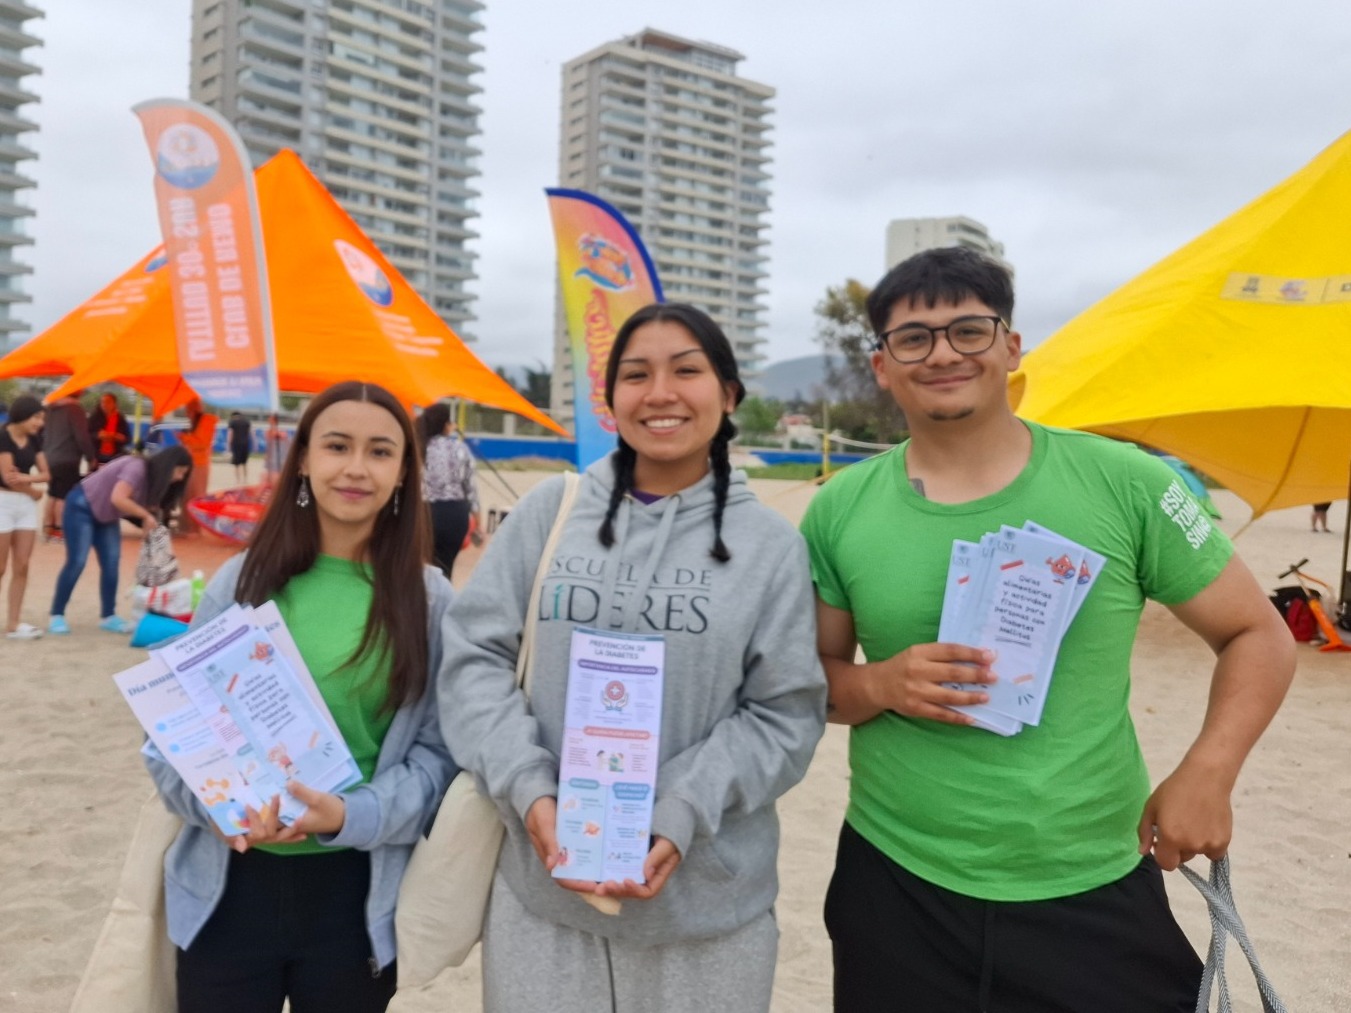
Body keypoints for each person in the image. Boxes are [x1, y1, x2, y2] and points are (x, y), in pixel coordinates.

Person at [800, 247, 1296, 1011]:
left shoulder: (1125, 482)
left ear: (1009, 347)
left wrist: (1209, 769)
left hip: (1091, 872)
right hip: (897, 881)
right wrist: (879, 682)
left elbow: (1256, 634)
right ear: (880, 365)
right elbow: (811, 683)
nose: (942, 353)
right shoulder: (841, 506)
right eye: (913, 338)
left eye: (968, 330)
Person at [439, 302, 827, 1012]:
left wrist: (681, 805)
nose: (660, 393)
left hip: (708, 914)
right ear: (609, 398)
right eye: (635, 374)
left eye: (687, 370)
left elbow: (785, 712)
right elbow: (474, 659)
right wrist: (529, 788)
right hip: (542, 900)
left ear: (729, 394)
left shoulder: (771, 546)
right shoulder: (550, 513)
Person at [144, 381, 456, 1012]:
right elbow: (166, 738)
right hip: (228, 884)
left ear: (402, 473)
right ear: (305, 459)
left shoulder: (429, 599)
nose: (356, 468)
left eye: (380, 452)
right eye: (337, 446)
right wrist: (223, 807)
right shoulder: (242, 579)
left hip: (355, 897)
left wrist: (349, 815)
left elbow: (437, 760)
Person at [48, 444, 191, 635]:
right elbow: (118, 498)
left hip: (107, 516)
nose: (180, 477)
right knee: (77, 561)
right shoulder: (137, 467)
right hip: (81, 506)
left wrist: (150, 525)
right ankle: (57, 614)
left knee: (111, 563)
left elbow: (139, 509)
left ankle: (108, 615)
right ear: (169, 465)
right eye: (180, 471)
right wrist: (145, 517)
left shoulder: (154, 482)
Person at [0, 395, 49, 639]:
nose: (40, 423)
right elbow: (8, 477)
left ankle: (14, 623)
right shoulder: (3, 436)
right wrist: (34, 492)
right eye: (37, 417)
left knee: (22, 564)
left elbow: (46, 473)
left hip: (25, 506)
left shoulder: (35, 439)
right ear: (23, 414)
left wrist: (28, 483)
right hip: (3, 502)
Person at [418, 402, 481, 578]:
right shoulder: (459, 447)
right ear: (446, 424)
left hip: (424, 511)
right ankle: (442, 602)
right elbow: (471, 489)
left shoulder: (418, 446)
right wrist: (478, 522)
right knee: (445, 569)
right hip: (455, 513)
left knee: (423, 567)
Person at [40, 389, 94, 543]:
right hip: (67, 459)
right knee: (63, 496)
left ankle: (47, 529)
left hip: (49, 457)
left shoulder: (50, 408)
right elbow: (82, 437)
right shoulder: (75, 409)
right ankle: (59, 532)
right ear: (79, 392)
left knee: (52, 493)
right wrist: (90, 457)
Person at [177, 396, 218, 534]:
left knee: (196, 496)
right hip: (190, 463)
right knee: (187, 495)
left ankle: (195, 529)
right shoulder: (193, 423)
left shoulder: (207, 421)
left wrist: (185, 438)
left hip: (200, 464)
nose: (187, 411)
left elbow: (202, 443)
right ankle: (187, 527)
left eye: (190, 408)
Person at [87, 392, 131, 467]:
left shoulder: (120, 418)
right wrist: (98, 436)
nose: (104, 404)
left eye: (108, 402)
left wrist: (120, 438)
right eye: (102, 402)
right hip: (97, 455)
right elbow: (86, 435)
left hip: (115, 455)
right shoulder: (94, 417)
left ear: (114, 404)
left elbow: (128, 438)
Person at [262, 412, 289, 488]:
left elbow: (285, 442)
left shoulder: (279, 432)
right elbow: (269, 444)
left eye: (270, 418)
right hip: (273, 456)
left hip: (278, 457)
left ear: (274, 420)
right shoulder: (270, 431)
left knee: (276, 474)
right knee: (270, 474)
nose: (268, 420)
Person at [227, 411, 253, 485]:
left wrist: (228, 444)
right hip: (245, 444)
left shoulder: (232, 422)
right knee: (245, 463)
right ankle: (245, 480)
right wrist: (255, 444)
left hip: (236, 444)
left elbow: (230, 434)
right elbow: (251, 433)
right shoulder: (246, 422)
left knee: (236, 464)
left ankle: (238, 480)